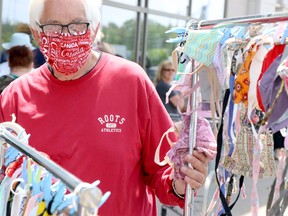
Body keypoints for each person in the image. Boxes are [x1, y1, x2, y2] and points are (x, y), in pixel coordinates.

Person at [0, 0, 209, 215]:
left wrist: (180, 183)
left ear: (95, 29)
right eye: (53, 27)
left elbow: (163, 169)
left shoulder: (131, 81)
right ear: (36, 32)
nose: (66, 36)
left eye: (78, 25)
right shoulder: (15, 97)